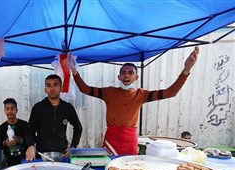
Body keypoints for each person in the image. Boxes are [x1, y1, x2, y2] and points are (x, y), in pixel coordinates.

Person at [66, 46, 199, 155]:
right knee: (108, 169)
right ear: (119, 77)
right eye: (123, 72)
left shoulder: (141, 94)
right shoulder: (109, 92)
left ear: (136, 77)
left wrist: (186, 70)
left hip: (130, 140)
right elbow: (85, 89)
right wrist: (74, 71)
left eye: (130, 73)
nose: (126, 75)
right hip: (112, 139)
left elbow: (171, 92)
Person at [25, 74, 83, 161]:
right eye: (49, 85)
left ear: (61, 88)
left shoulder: (68, 108)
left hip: (62, 155)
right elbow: (30, 130)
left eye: (55, 85)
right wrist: (30, 145)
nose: (52, 89)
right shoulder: (38, 108)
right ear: (45, 89)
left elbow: (78, 128)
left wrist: (73, 146)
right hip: (41, 154)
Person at [0, 98, 28, 166]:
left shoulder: (24, 125)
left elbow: (32, 140)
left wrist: (20, 140)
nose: (10, 111)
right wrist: (5, 143)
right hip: (9, 161)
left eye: (12, 109)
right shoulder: (2, 128)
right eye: (7, 109)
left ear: (16, 110)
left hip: (25, 160)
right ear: (4, 111)